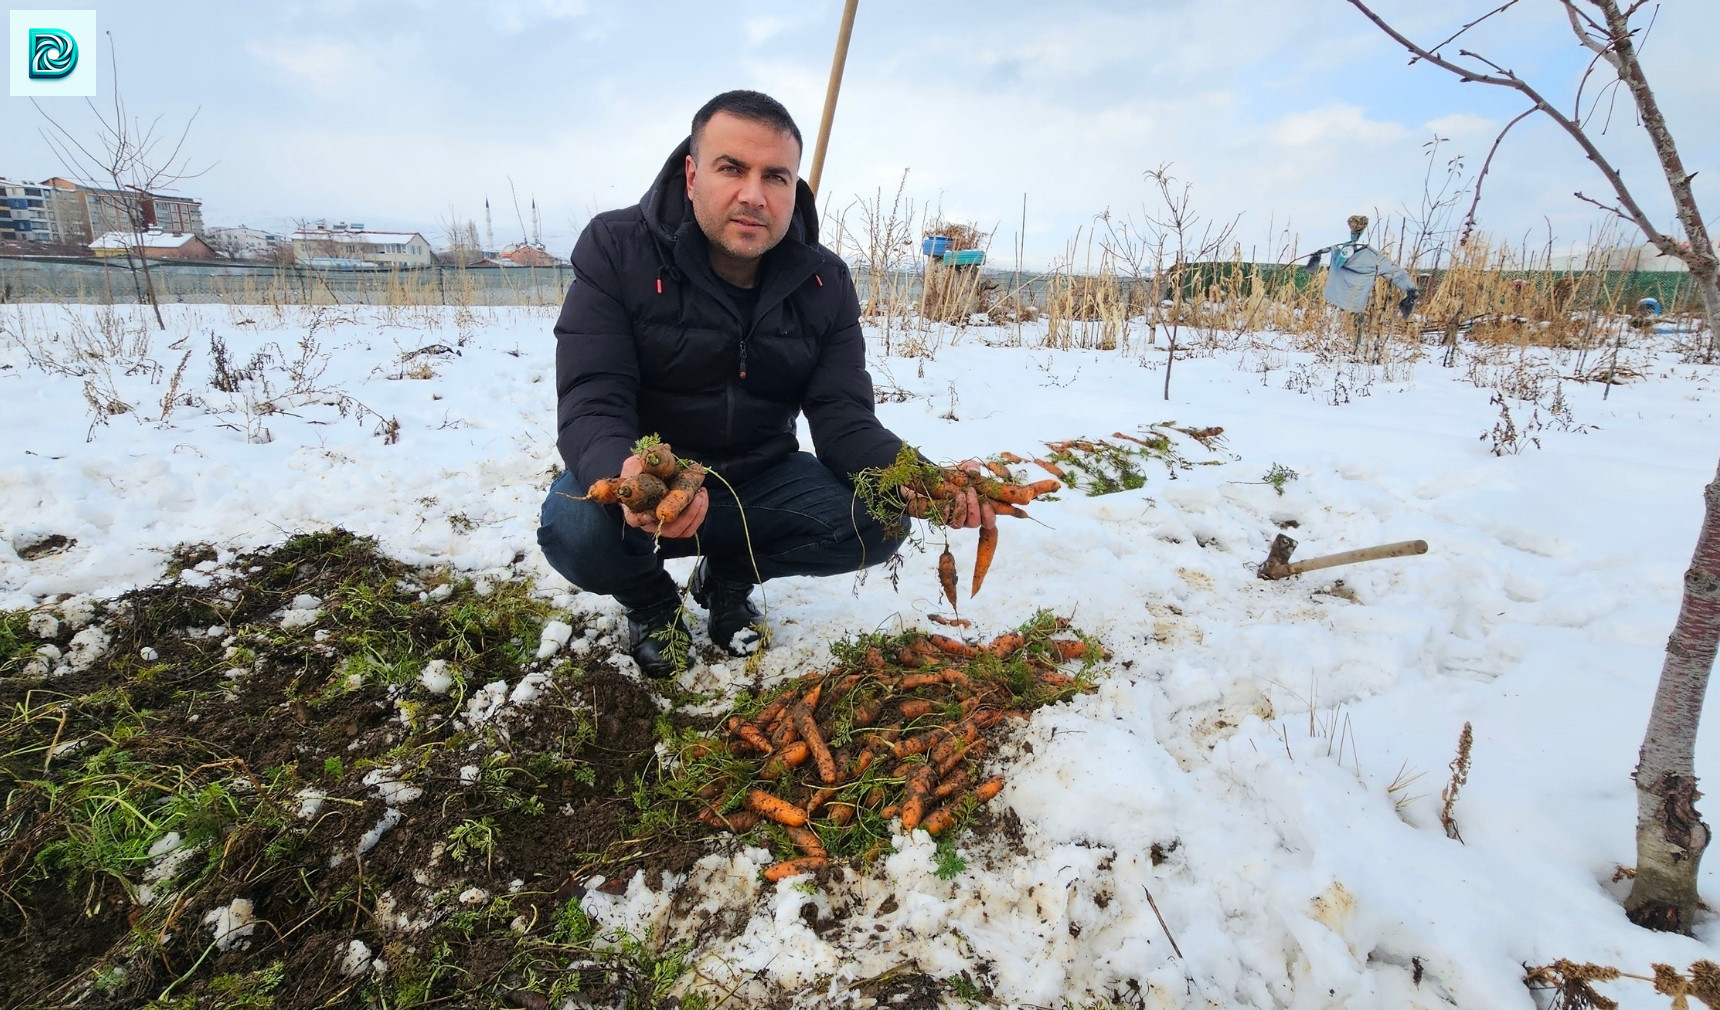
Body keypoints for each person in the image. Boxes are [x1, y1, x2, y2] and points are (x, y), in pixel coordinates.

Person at [538, 90, 993, 678]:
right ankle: (652, 604)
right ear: (693, 173)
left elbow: (843, 419)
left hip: (763, 479)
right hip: (656, 478)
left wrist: (916, 477)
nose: (754, 194)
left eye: (775, 176)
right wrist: (627, 476)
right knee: (573, 526)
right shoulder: (617, 248)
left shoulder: (824, 280)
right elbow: (592, 396)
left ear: (795, 186)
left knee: (880, 519)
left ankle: (729, 577)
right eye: (732, 168)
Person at [1305, 214, 1418, 357]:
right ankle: (1357, 349)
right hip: (1358, 300)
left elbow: (1322, 254)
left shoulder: (1340, 250)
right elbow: (1396, 272)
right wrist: (1411, 289)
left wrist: (1316, 256)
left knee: (1340, 324)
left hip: (1336, 295)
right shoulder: (1374, 257)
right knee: (1356, 321)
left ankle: (1351, 349)